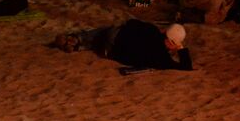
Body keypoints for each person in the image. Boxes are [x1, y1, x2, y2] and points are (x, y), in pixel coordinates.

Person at [53, 20, 192, 71]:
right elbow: (186, 66)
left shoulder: (151, 29)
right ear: (172, 43)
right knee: (102, 44)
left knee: (106, 32)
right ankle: (80, 46)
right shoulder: (162, 58)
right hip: (111, 52)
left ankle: (78, 38)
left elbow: (130, 23)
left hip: (114, 36)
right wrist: (181, 49)